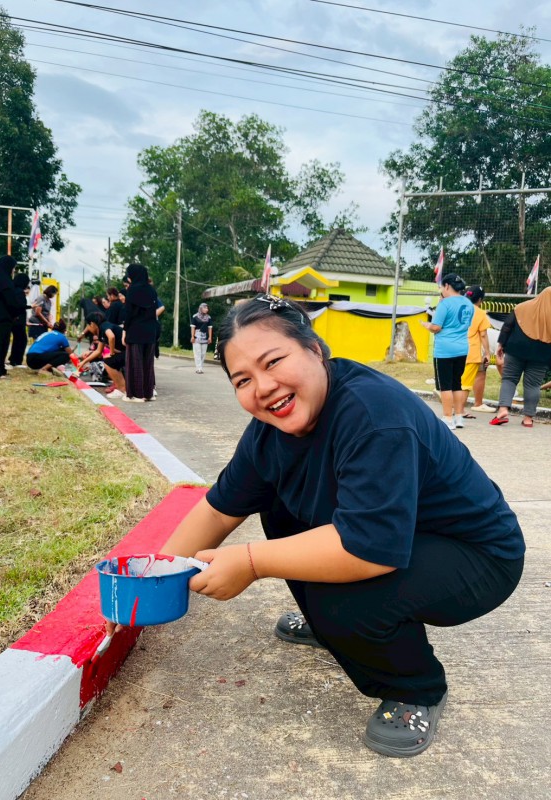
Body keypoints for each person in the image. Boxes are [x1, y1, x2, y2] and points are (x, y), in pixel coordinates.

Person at [107, 294, 525, 758]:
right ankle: (330, 628)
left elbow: (365, 549)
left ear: (315, 349)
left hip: (476, 555)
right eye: (243, 380)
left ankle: (416, 687)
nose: (264, 387)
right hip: (397, 536)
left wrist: (250, 562)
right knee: (278, 506)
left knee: (343, 601)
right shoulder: (268, 433)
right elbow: (219, 510)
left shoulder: (373, 415)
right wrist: (156, 576)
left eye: (273, 361)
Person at [490, 287, 551, 428]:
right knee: (533, 385)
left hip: (515, 350)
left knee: (509, 379)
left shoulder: (522, 307)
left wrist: (501, 344)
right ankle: (528, 419)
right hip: (541, 355)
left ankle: (503, 410)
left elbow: (507, 326)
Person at [421, 273, 473, 430]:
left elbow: (437, 327)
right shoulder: (468, 303)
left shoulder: (445, 304)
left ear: (447, 286)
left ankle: (448, 418)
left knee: (446, 385)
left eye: (442, 287)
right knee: (457, 383)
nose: (441, 290)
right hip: (462, 348)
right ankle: (458, 417)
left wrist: (427, 325)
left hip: (445, 349)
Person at [454, 285, 492, 419]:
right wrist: (487, 353)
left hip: (453, 349)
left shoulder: (457, 308)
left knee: (456, 380)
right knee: (465, 384)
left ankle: (453, 407)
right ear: (480, 300)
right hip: (470, 352)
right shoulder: (480, 313)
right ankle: (460, 410)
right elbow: (483, 335)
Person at [122, 263, 159, 402]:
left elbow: (129, 314)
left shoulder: (132, 290)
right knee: (148, 364)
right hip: (150, 331)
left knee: (135, 362)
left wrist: (125, 331)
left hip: (135, 331)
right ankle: (148, 393)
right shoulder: (152, 291)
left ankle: (137, 395)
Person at [80, 311, 126, 398]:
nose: (88, 329)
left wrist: (111, 353)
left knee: (109, 362)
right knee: (110, 362)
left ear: (92, 324)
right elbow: (98, 351)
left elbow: (111, 336)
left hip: (130, 353)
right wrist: (83, 362)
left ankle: (121, 389)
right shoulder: (101, 331)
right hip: (126, 352)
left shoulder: (104, 326)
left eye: (88, 326)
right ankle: (123, 388)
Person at [8, 273, 31, 368]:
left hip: (15, 319)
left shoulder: (13, 290)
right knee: (21, 340)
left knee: (18, 339)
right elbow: (20, 305)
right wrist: (31, 306)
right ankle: (16, 360)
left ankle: (14, 359)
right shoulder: (19, 292)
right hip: (18, 319)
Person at [191, 302, 213, 373]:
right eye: (205, 308)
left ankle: (201, 367)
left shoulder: (208, 318)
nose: (207, 309)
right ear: (201, 308)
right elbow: (193, 327)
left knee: (203, 353)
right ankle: (198, 368)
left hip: (205, 337)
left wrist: (210, 337)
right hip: (197, 336)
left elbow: (210, 328)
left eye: (207, 308)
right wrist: (192, 336)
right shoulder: (195, 316)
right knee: (197, 353)